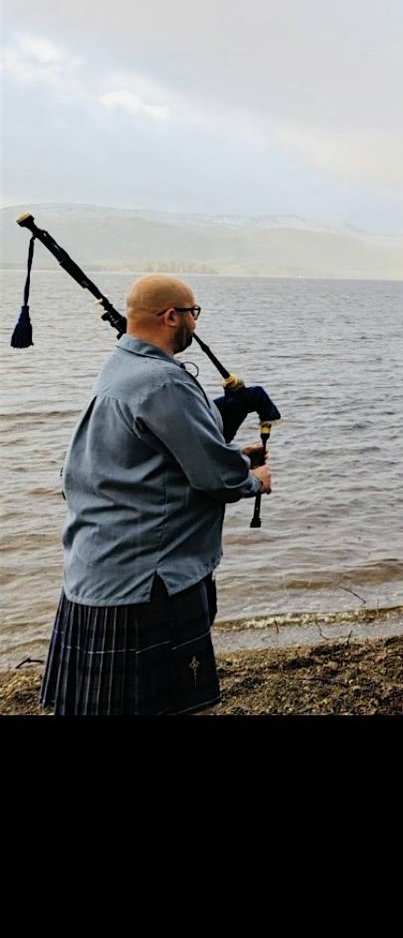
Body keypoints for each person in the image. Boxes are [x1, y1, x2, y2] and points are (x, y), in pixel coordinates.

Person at [37, 273, 269, 718]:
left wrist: (230, 450)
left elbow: (151, 457)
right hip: (148, 580)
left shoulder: (119, 366)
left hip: (98, 567)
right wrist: (254, 477)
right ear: (170, 316)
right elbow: (214, 477)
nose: (194, 323)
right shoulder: (164, 381)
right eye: (193, 313)